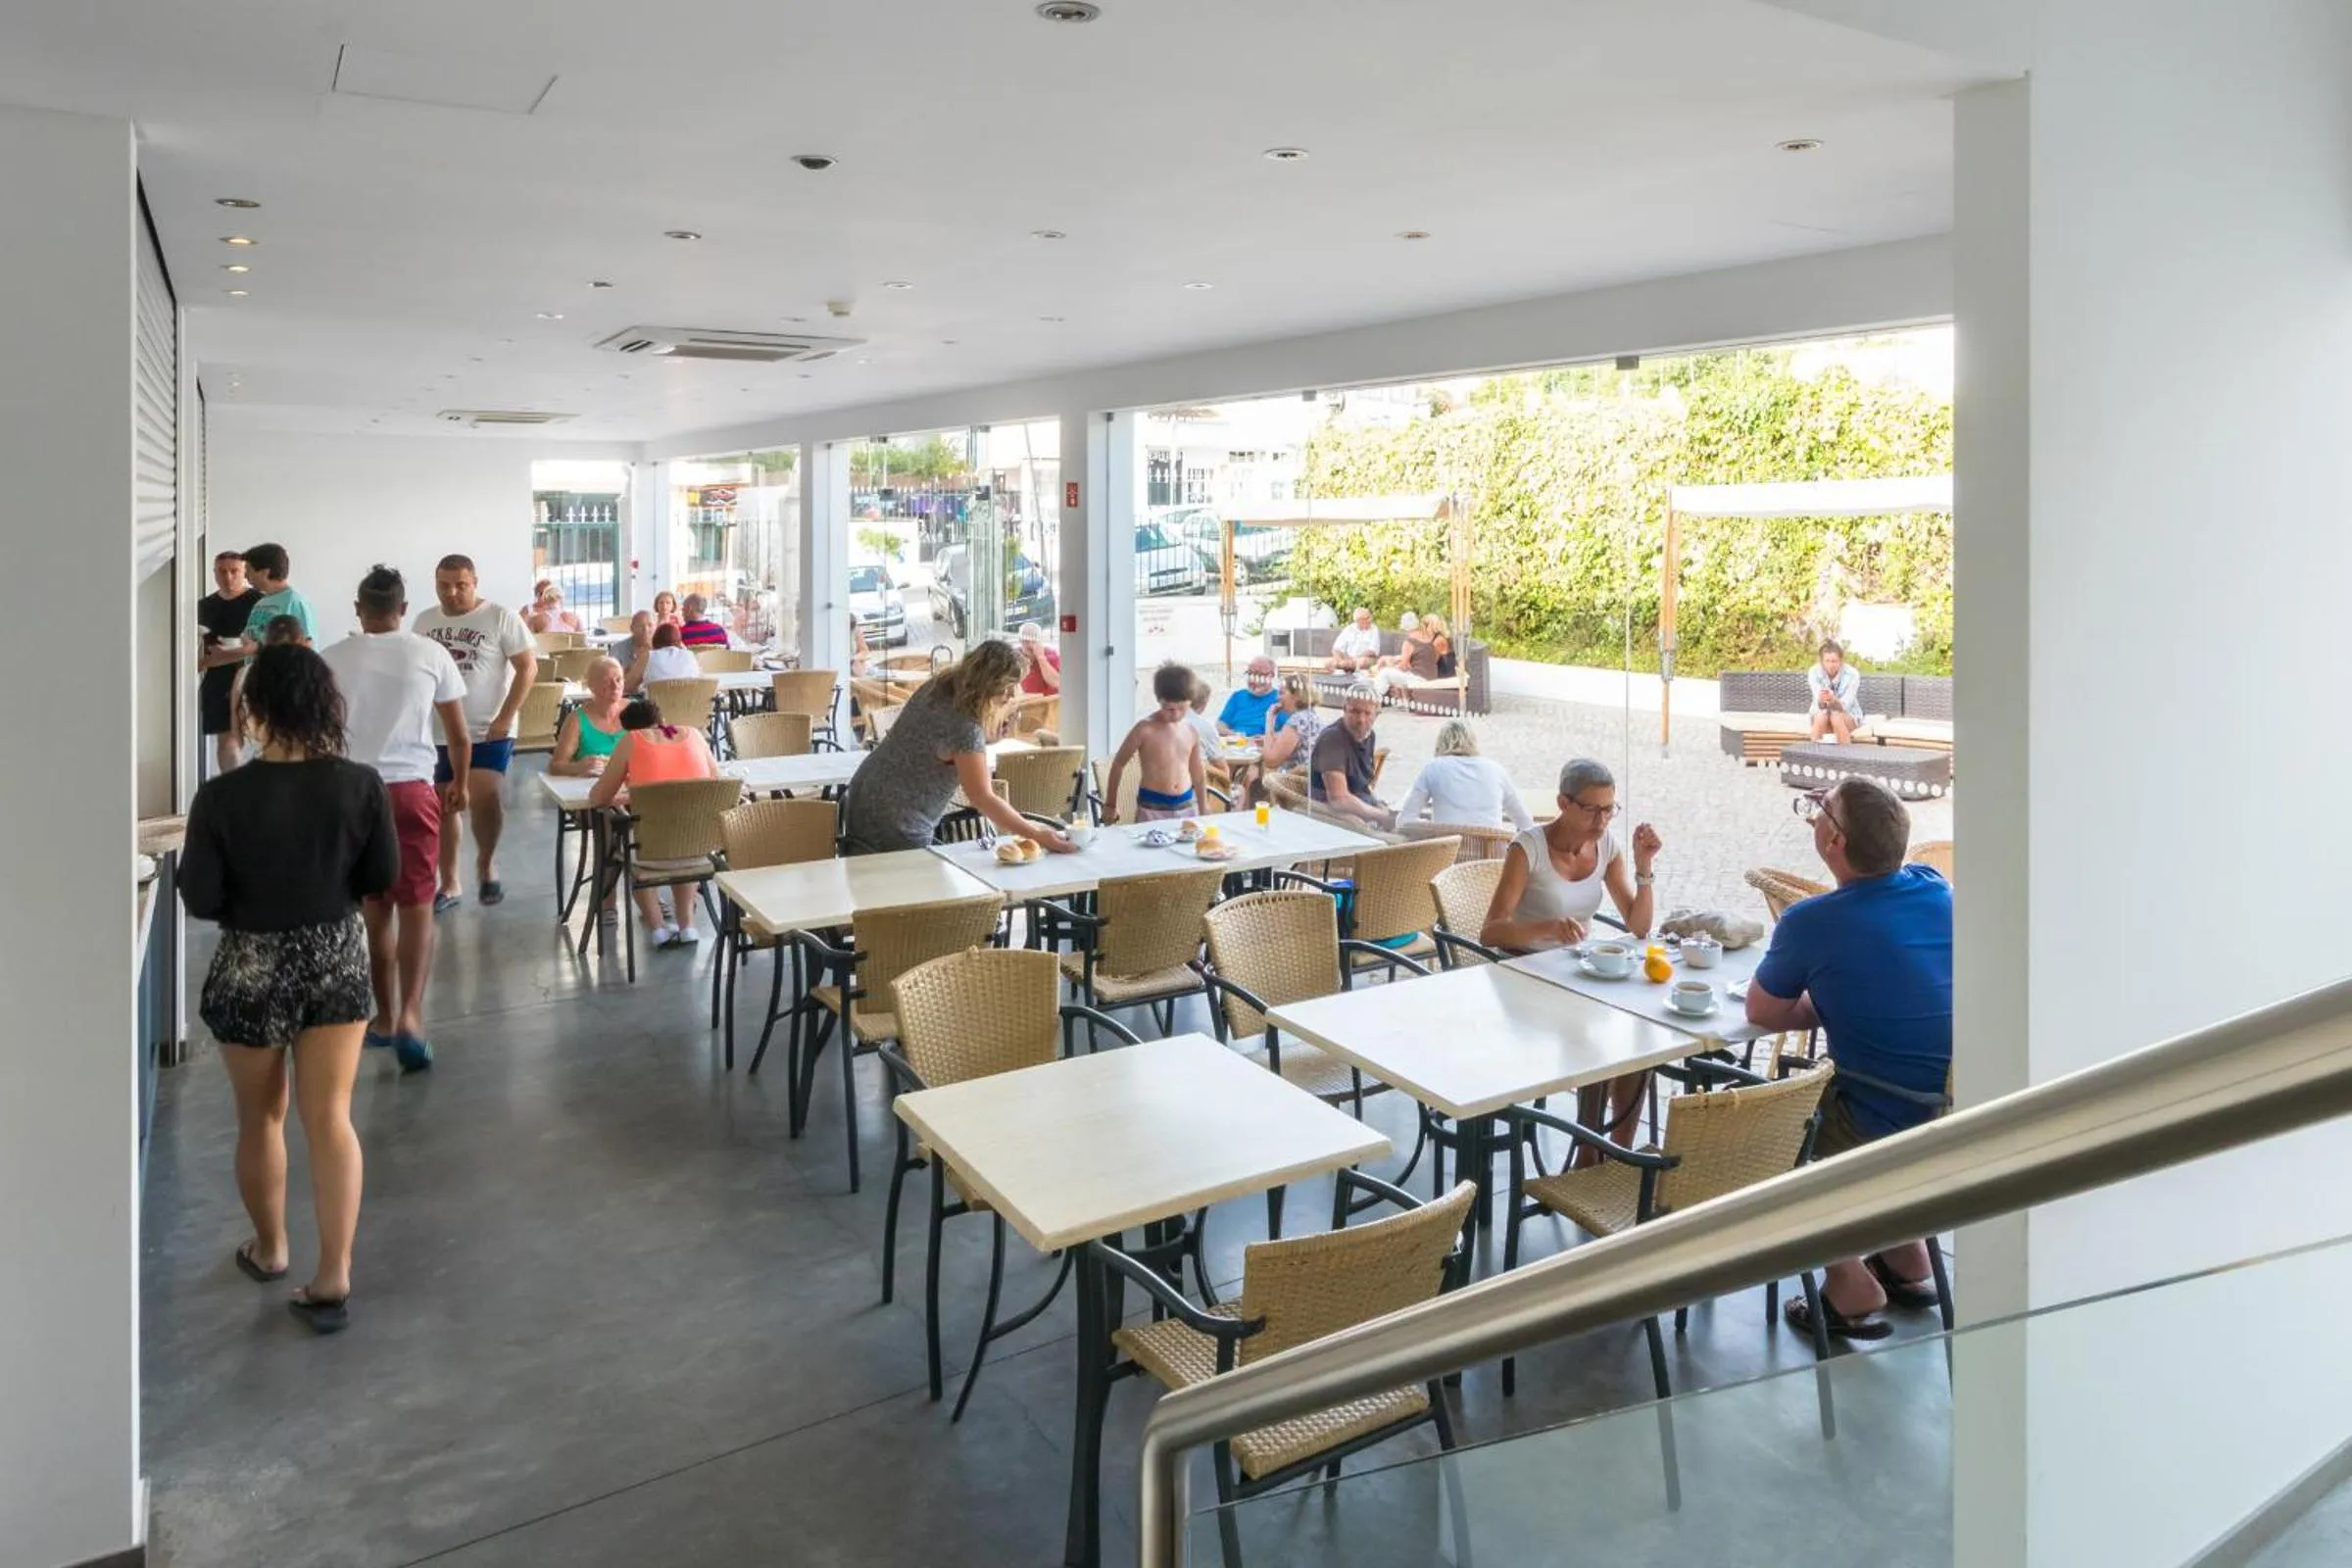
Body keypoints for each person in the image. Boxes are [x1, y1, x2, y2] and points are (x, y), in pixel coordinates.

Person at [178, 645, 396, 1335]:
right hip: (335, 956)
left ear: (253, 710)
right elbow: (380, 874)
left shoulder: (219, 797)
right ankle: (334, 1275)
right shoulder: (361, 784)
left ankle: (271, 1249)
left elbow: (202, 897)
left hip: (252, 964)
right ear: (324, 705)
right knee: (330, 1118)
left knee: (261, 1119)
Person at [1747, 779, 1953, 1341]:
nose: (1814, 812)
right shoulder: (1935, 887)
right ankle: (1908, 1257)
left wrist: (1823, 999)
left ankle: (1848, 1281)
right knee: (1889, 1089)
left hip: (1881, 1110)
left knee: (1777, 1131)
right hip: (1950, 1105)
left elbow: (1764, 1011)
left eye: (1821, 808)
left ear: (1833, 839)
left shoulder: (1812, 921)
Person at [319, 565, 469, 1074]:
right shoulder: (429, 652)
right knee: (418, 906)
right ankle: (411, 1014)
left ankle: (382, 1018)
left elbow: (319, 737)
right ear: (403, 611)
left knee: (374, 908)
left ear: (359, 611)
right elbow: (459, 735)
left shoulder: (330, 660)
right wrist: (460, 784)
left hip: (349, 793)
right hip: (411, 790)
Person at [1481, 758, 1663, 1152]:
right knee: (1595, 1045)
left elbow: (1638, 926)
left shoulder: (1607, 845)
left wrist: (1644, 868)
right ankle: (1587, 1152)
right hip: (1522, 973)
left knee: (1642, 1038)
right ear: (1563, 803)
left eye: (1609, 809)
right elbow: (1491, 930)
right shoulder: (1528, 847)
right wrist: (1546, 927)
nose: (1602, 821)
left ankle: (1619, 1151)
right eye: (1591, 809)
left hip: (1576, 972)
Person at [837, 639, 1077, 856]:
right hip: (898, 821)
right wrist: (1037, 835)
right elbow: (982, 797)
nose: (1011, 695)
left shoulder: (938, 687)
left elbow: (939, 743)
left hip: (864, 795)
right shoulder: (964, 726)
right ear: (988, 684)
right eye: (1007, 687)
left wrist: (984, 740)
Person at [411, 555, 537, 910]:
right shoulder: (424, 621)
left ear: (475, 582)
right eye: (444, 585)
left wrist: (505, 717)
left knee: (484, 796)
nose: (452, 593)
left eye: (460, 585)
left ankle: (486, 861)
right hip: (438, 732)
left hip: (488, 729)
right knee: (444, 804)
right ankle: (449, 882)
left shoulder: (500, 617)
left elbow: (527, 668)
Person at [588, 697, 722, 948]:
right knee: (682, 834)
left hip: (649, 855)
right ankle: (688, 926)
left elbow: (598, 797)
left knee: (636, 838)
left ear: (629, 729)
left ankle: (657, 928)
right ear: (661, 720)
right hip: (700, 850)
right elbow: (715, 782)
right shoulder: (692, 734)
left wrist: (632, 793)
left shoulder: (631, 740)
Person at [1103, 662, 1211, 824]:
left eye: (1182, 709)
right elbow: (1119, 763)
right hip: (1152, 807)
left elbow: (1197, 772)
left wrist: (1204, 805)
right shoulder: (1145, 729)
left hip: (1186, 805)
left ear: (1190, 702)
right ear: (1159, 700)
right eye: (1169, 709)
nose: (1175, 714)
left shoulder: (1190, 730)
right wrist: (1111, 804)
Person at [1397, 720, 1535, 830]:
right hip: (1490, 858)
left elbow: (1404, 821)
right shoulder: (1496, 770)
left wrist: (1433, 827)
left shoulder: (1434, 768)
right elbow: (1526, 823)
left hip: (1447, 858)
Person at [199, 550, 262, 776]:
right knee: (227, 741)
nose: (228, 577)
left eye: (234, 571)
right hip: (218, 680)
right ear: (214, 573)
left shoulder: (260, 603)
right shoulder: (203, 606)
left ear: (244, 572)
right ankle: (233, 791)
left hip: (254, 677)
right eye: (222, 571)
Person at [1308, 683, 1396, 830]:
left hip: (1360, 803)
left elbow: (1363, 785)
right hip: (1335, 815)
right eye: (1354, 711)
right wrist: (1380, 816)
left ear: (1376, 714)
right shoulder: (1332, 739)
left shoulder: (1369, 735)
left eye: (1367, 713)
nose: (1361, 719)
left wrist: (1379, 807)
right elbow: (1338, 799)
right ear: (1344, 709)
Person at [549, 656, 626, 777]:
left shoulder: (637, 711)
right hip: (589, 786)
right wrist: (577, 767)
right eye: (606, 681)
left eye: (619, 679)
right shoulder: (577, 719)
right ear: (591, 686)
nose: (615, 686)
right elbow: (555, 766)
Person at [238, 542, 315, 652]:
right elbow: (247, 642)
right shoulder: (260, 604)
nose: (245, 576)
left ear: (264, 573)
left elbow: (307, 647)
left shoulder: (295, 602)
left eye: (249, 571)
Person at [1371, 612, 1445, 700]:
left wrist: (1391, 665)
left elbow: (1403, 667)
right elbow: (1431, 659)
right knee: (1397, 676)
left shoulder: (1409, 642)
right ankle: (1404, 701)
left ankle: (1375, 700)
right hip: (1432, 677)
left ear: (1405, 628)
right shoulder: (1430, 638)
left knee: (1384, 673)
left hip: (1418, 679)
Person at [1808, 639, 1865, 744]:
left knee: (1835, 716)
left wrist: (1834, 701)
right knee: (1822, 715)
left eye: (1834, 661)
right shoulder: (1814, 672)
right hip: (1821, 715)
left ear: (1841, 661)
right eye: (1827, 661)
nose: (1830, 665)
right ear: (1822, 661)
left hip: (1847, 715)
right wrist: (1822, 700)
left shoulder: (1852, 674)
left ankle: (1845, 757)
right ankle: (1814, 757)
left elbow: (1846, 705)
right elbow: (1818, 703)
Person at [1216, 656, 1282, 737]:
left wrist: (1265, 738)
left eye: (1261, 675)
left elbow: (1289, 732)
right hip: (1236, 743)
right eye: (1251, 674)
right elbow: (1220, 724)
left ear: (1271, 675)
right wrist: (1235, 735)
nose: (1255, 680)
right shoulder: (1238, 696)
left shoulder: (1280, 699)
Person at [638, 621, 702, 687]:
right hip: (688, 696)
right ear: (679, 641)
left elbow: (629, 686)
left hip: (657, 696)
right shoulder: (690, 656)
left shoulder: (649, 656)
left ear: (655, 640)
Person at [1327, 606, 1381, 672]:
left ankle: (1346, 667)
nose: (1370, 619)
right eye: (1367, 618)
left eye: (1370, 617)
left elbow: (1372, 652)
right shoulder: (1349, 629)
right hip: (1347, 658)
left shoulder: (1374, 629)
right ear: (1358, 620)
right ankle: (1342, 670)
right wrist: (1341, 660)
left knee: (1362, 662)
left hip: (1364, 658)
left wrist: (1354, 659)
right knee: (1328, 663)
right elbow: (1336, 649)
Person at [1016, 621, 1061, 695]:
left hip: (1047, 702)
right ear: (1020, 641)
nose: (1030, 645)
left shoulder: (1050, 655)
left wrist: (1041, 658)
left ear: (1040, 641)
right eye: (1026, 641)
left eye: (1034, 641)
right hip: (1025, 701)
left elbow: (1057, 682)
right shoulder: (1016, 656)